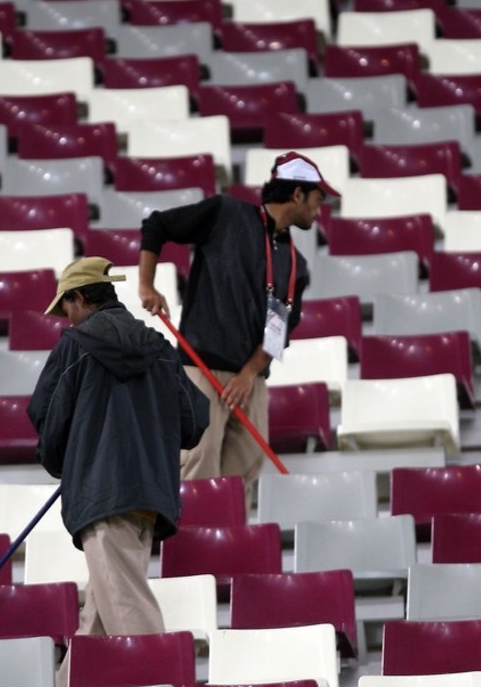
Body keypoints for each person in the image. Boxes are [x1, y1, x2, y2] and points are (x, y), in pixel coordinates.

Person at [27, 256, 210, 685]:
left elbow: (46, 416)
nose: (66, 319)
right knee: (101, 613)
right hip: (150, 498)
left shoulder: (74, 347)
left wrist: (68, 462)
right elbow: (193, 421)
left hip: (101, 496)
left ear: (79, 297)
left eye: (66, 307)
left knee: (127, 613)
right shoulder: (160, 348)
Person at [138, 151, 340, 511]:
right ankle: (193, 550)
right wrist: (146, 285)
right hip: (200, 368)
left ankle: (230, 545)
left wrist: (248, 374)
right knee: (198, 460)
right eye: (318, 199)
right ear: (297, 195)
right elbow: (157, 226)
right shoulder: (225, 213)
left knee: (245, 466)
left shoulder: (297, 265)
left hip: (250, 380)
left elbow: (278, 330)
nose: (319, 209)